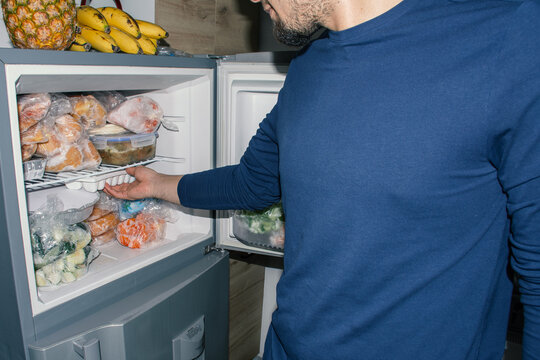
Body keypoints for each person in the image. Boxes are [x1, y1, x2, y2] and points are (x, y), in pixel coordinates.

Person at [105, 0, 540, 358]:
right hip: (290, 345)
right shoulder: (309, 67)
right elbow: (255, 182)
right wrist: (160, 184)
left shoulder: (511, 36)